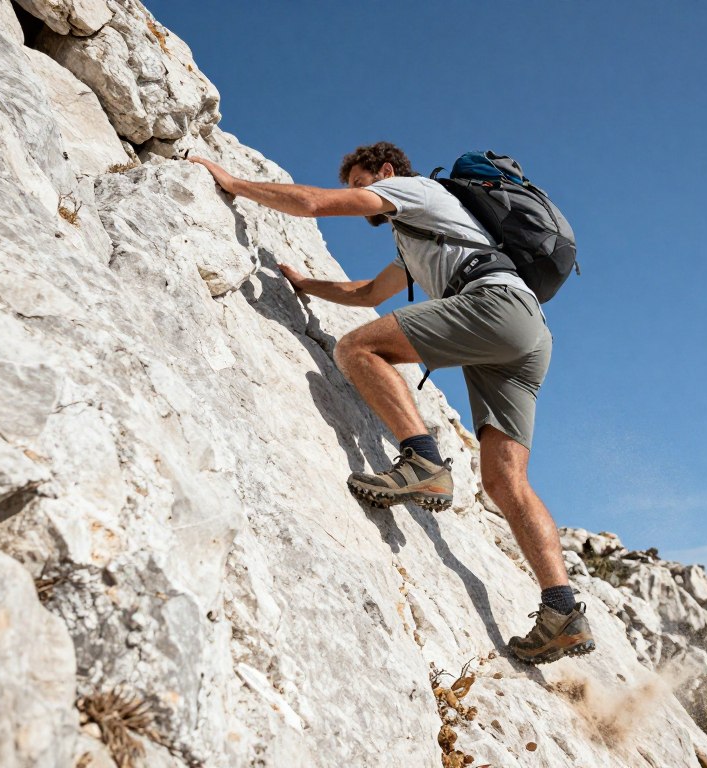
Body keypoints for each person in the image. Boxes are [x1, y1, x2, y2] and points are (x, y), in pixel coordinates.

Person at [188, 143, 594, 664]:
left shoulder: (416, 190)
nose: (363, 196)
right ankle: (562, 609)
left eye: (362, 181)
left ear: (384, 173)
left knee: (357, 348)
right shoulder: (425, 236)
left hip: (493, 304)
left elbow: (314, 203)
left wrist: (234, 182)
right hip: (529, 330)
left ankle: (422, 458)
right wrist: (306, 284)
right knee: (504, 481)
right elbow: (367, 293)